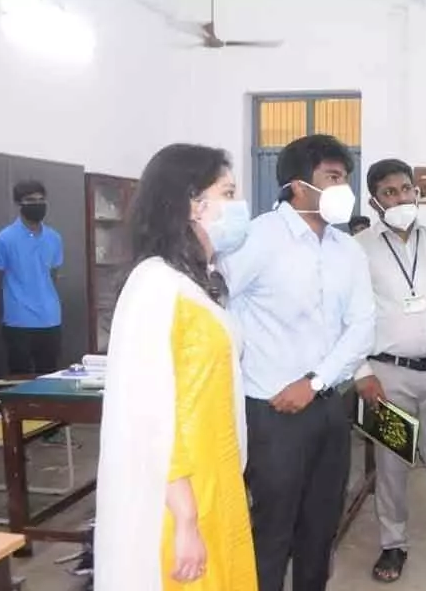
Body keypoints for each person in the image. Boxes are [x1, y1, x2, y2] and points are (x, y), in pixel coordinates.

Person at [94, 144, 256, 590]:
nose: (238, 205)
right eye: (228, 192)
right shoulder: (155, 287)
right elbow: (150, 415)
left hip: (215, 476)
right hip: (181, 494)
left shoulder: (189, 283)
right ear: (192, 203)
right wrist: (185, 517)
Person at [220, 134, 376, 591]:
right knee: (273, 530)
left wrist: (317, 381)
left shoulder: (346, 248)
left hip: (328, 405)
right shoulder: (257, 238)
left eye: (345, 178)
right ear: (297, 185)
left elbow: (363, 325)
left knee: (321, 527)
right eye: (332, 177)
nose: (343, 187)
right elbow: (219, 307)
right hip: (272, 411)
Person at [354, 158, 426, 583]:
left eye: (407, 189)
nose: (402, 197)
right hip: (388, 378)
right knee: (391, 464)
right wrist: (362, 372)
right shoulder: (361, 248)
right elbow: (349, 317)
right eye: (390, 192)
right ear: (374, 200)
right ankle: (393, 545)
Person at [0, 180, 64, 376]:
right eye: (31, 200)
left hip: (51, 319)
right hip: (18, 321)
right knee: (20, 380)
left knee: (49, 378)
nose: (37, 204)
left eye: (41, 199)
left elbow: (54, 276)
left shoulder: (54, 238)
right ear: (19, 204)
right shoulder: (3, 239)